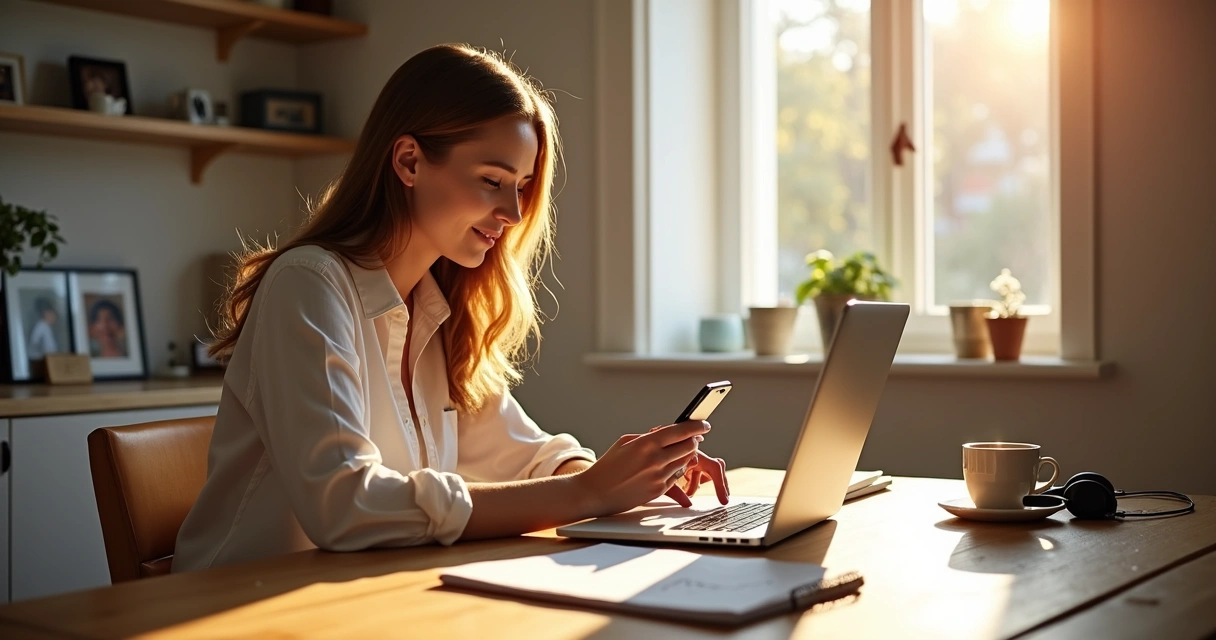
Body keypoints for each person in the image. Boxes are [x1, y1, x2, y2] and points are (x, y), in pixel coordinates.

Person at [173, 44, 729, 573]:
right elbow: (343, 506)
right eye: (492, 180)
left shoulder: (440, 307)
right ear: (409, 161)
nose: (512, 211)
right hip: (239, 608)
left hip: (374, 600)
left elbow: (523, 456)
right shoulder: (309, 285)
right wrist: (588, 492)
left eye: (523, 186)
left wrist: (623, 478)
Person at [26, 297, 59, 361]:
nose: (55, 317)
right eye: (52, 314)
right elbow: (34, 345)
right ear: (46, 314)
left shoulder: (46, 327)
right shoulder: (41, 326)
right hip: (41, 360)